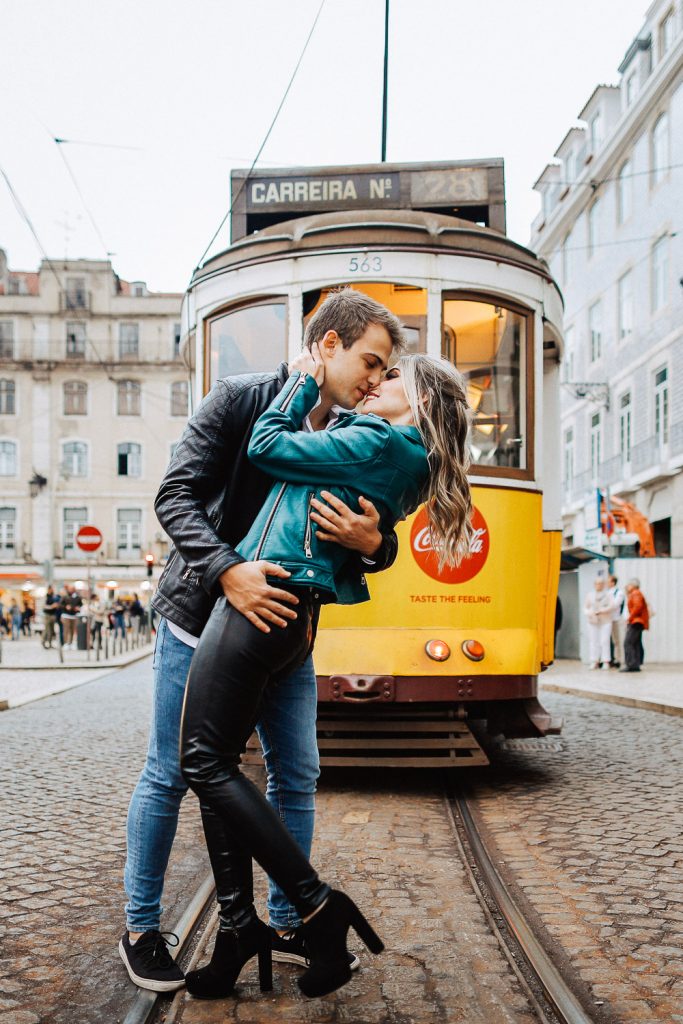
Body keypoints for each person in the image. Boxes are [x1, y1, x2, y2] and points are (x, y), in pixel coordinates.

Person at [119, 289, 405, 993]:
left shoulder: (350, 428)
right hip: (201, 620)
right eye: (370, 361)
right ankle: (142, 927)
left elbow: (375, 531)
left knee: (296, 775)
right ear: (327, 346)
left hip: (286, 636)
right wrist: (227, 572)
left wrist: (376, 545)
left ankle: (285, 922)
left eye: (384, 369)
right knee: (171, 771)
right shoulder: (241, 398)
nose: (377, 379)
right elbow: (174, 496)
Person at [179, 345, 473, 1000]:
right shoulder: (395, 454)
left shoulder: (375, 438)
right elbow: (359, 517)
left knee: (202, 762)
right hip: (294, 611)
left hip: (265, 592)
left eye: (391, 376)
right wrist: (379, 542)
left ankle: (316, 907)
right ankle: (236, 931)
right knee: (215, 762)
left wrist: (305, 383)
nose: (375, 382)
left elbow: (267, 446)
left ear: (421, 402)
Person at [583, 576, 615, 670]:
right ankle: (594, 661)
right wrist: (589, 613)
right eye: (597, 583)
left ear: (604, 585)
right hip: (593, 621)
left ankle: (605, 661)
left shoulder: (608, 595)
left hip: (605, 621)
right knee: (593, 641)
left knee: (604, 641)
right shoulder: (590, 595)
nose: (598, 585)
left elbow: (611, 606)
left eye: (601, 583)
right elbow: (585, 607)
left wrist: (602, 610)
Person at [620, 578, 649, 672]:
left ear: (633, 585)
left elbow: (637, 607)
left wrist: (630, 618)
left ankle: (631, 664)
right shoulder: (636, 593)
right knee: (635, 643)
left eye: (628, 585)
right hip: (638, 621)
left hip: (636, 621)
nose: (627, 587)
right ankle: (635, 664)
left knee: (628, 643)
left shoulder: (635, 593)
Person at [608, 574, 626, 667]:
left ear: (613, 582)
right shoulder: (606, 592)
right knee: (606, 640)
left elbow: (615, 604)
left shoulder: (619, 593)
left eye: (608, 581)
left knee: (617, 640)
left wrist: (605, 607)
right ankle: (608, 658)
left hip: (615, 618)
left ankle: (618, 659)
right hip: (606, 620)